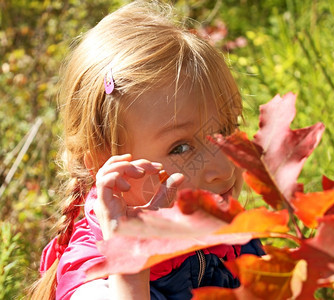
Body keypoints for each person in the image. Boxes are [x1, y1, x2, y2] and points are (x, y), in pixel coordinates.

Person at [31, 1, 264, 299]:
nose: (223, 169)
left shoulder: (226, 233)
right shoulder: (95, 277)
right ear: (104, 165)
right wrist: (131, 268)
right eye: (181, 147)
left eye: (225, 130)